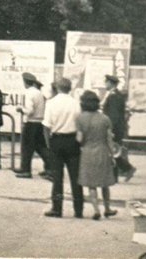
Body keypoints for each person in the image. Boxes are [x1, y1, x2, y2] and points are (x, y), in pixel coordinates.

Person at [43, 77, 85, 218]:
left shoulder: (51, 103)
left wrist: (48, 143)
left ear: (58, 88)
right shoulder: (76, 103)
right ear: (70, 88)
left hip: (57, 140)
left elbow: (46, 125)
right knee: (75, 177)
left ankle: (57, 208)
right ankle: (78, 209)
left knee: (57, 177)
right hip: (72, 141)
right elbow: (81, 124)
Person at [76, 90, 118, 220]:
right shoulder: (105, 118)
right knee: (104, 183)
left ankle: (96, 210)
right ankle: (107, 208)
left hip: (87, 153)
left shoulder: (80, 118)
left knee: (91, 184)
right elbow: (109, 139)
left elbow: (79, 139)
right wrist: (113, 155)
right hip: (103, 152)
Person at [100, 74, 135, 181]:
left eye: (106, 82)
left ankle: (124, 170)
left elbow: (113, 116)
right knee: (113, 150)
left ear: (111, 83)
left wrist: (110, 129)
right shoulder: (115, 95)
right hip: (117, 128)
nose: (105, 84)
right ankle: (123, 171)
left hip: (114, 128)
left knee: (113, 150)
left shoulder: (113, 96)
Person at [16, 73, 49, 178]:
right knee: (41, 147)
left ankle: (25, 170)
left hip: (30, 122)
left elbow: (29, 110)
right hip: (39, 122)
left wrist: (21, 109)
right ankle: (51, 167)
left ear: (25, 82)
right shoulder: (39, 93)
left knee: (26, 147)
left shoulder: (29, 93)